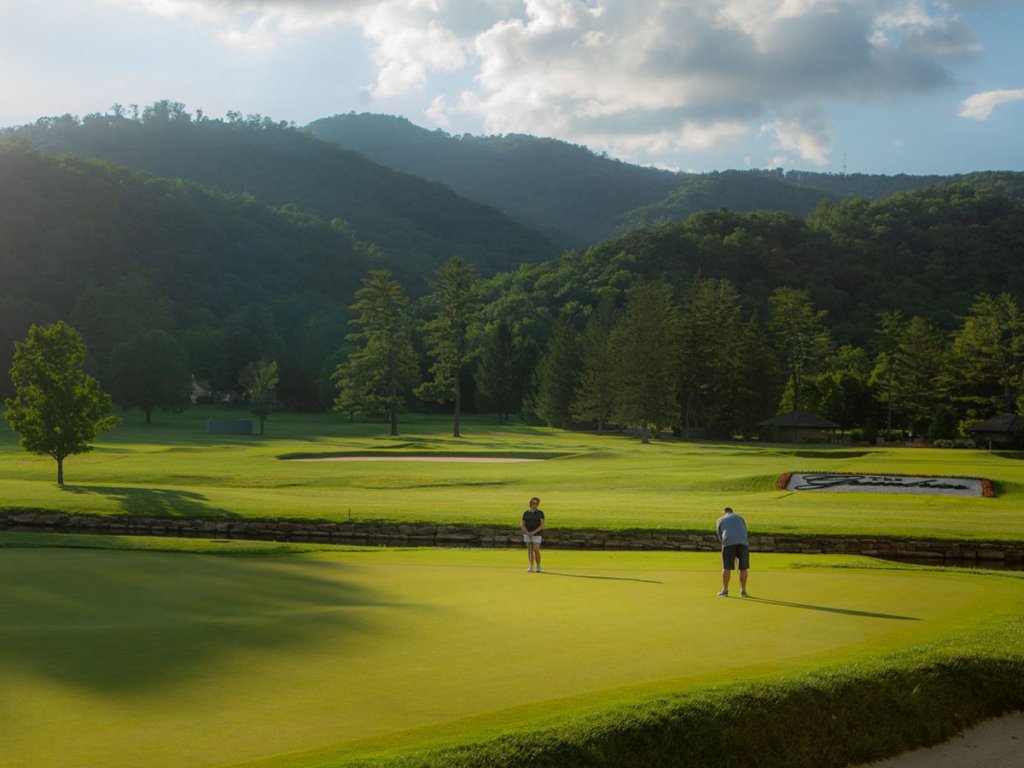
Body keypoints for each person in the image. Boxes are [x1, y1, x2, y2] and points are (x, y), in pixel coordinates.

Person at [716, 506, 749, 597]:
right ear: (732, 512)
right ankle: (743, 591)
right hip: (743, 543)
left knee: (726, 567)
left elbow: (720, 535)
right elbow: (745, 531)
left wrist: (724, 545)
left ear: (724, 512)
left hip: (728, 543)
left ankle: (725, 590)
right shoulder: (740, 518)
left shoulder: (721, 519)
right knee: (743, 567)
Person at [521, 496, 545, 572]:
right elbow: (522, 524)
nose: (534, 504)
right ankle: (531, 566)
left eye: (536, 503)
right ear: (530, 503)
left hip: (537, 534)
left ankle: (538, 566)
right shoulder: (526, 513)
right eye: (533, 503)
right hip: (527, 534)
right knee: (530, 550)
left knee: (536, 550)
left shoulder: (540, 513)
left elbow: (542, 525)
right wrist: (527, 532)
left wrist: (533, 532)